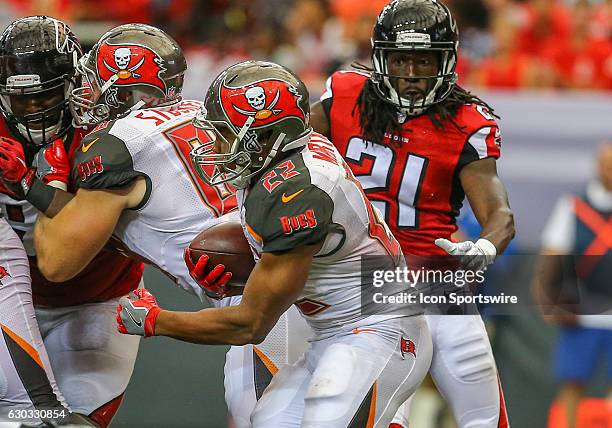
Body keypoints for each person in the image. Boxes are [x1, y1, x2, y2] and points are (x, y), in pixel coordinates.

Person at [116, 59, 433, 427]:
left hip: (381, 330)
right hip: (331, 332)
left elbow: (250, 325)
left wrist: (156, 321)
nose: (212, 142)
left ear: (265, 136)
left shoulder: (297, 193)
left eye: (224, 132)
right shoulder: (283, 161)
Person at [30, 23, 311, 428]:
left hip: (268, 300)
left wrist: (44, 184)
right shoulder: (203, 111)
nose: (83, 93)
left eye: (93, 81)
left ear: (120, 92)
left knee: (269, 419)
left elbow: (57, 263)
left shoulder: (118, 143)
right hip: (305, 283)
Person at [309, 0, 515, 427]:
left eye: (424, 61)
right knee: (380, 411)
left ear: (448, 60)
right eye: (401, 59)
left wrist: (486, 245)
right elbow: (292, 156)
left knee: (485, 415)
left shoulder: (468, 122)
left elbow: (499, 211)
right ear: (381, 57)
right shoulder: (345, 94)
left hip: (434, 277)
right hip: (352, 277)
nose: (411, 74)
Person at [0, 16, 143, 427]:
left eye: (45, 97)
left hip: (96, 301)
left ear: (72, 87)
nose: (32, 109)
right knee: (30, 416)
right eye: (20, 99)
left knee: (70, 420)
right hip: (11, 298)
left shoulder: (108, 134)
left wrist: (33, 184)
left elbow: (78, 235)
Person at [533, 142, 612, 428]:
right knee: (571, 382)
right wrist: (546, 298)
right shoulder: (573, 206)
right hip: (582, 310)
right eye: (606, 165)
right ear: (597, 167)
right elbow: (551, 255)